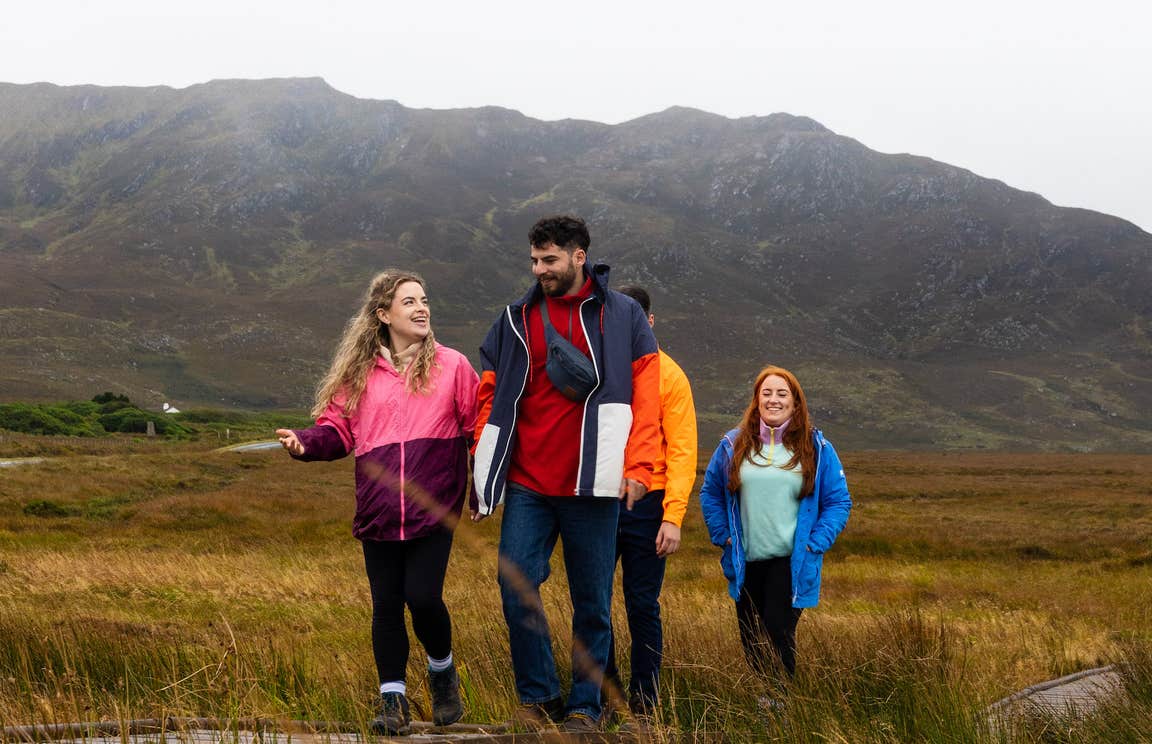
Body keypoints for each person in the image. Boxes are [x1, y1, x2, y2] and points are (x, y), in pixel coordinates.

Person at [471, 215, 662, 733]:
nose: (540, 270)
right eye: (534, 260)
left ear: (580, 256)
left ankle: (585, 707)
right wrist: (482, 454)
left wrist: (641, 466)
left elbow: (647, 402)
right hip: (529, 482)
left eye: (550, 260)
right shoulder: (514, 318)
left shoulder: (623, 316)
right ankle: (537, 700)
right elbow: (489, 391)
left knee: (592, 603)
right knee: (516, 588)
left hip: (593, 484)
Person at [275, 270, 478, 736]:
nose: (421, 308)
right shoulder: (359, 375)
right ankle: (393, 703)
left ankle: (443, 673)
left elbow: (477, 429)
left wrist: (482, 487)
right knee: (386, 605)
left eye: (424, 300)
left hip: (434, 508)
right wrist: (305, 443)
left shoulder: (453, 366)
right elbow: (337, 431)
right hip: (379, 511)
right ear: (384, 315)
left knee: (423, 598)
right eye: (409, 302)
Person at [698, 365, 851, 690]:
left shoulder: (816, 448)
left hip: (791, 561)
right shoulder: (733, 445)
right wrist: (722, 535)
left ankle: (780, 708)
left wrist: (816, 542)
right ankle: (772, 703)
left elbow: (839, 502)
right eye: (766, 393)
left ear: (795, 402)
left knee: (777, 634)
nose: (774, 399)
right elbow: (710, 491)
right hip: (746, 559)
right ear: (757, 400)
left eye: (782, 394)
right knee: (751, 636)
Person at [604, 285, 697, 718]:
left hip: (649, 505)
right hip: (598, 501)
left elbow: (682, 450)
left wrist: (673, 517)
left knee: (642, 604)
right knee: (593, 603)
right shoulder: (598, 368)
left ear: (649, 322)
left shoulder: (671, 376)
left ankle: (644, 703)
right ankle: (603, 698)